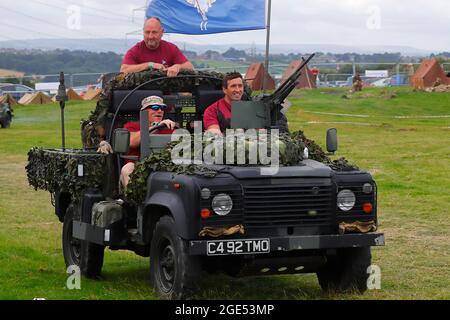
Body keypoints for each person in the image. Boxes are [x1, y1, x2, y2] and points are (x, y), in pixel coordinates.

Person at [120, 96, 176, 190]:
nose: (159, 111)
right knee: (127, 169)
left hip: (164, 166)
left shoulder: (169, 128)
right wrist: (156, 127)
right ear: (144, 111)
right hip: (137, 166)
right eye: (154, 107)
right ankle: (134, 202)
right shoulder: (132, 126)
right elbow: (133, 142)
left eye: (162, 108)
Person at [120, 17, 194, 77]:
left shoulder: (171, 48)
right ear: (143, 32)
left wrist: (178, 67)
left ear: (162, 32)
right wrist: (149, 65)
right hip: (141, 92)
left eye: (154, 32)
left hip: (166, 93)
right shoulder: (135, 50)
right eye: (147, 32)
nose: (150, 36)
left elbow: (190, 67)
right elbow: (123, 70)